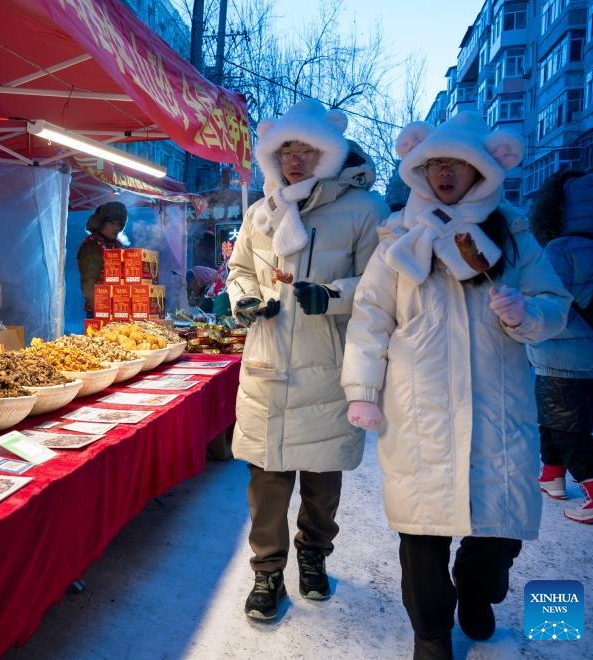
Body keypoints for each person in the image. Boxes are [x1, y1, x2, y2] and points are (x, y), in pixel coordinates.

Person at [340, 112, 571, 658]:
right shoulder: (398, 236)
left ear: (481, 170)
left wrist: (524, 313)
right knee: (421, 533)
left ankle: (477, 590)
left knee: (500, 530)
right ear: (419, 168)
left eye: (458, 164)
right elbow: (371, 317)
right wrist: (362, 391)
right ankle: (431, 631)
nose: (446, 173)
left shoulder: (512, 233)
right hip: (420, 409)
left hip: (498, 406)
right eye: (435, 163)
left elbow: (556, 306)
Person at [225, 99, 389, 621]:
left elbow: (384, 286)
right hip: (267, 363)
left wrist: (333, 294)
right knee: (267, 479)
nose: (295, 160)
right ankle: (267, 572)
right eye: (286, 150)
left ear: (329, 153)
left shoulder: (365, 209)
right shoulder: (260, 212)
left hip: (330, 364)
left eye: (308, 150)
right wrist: (244, 300)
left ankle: (314, 555)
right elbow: (239, 271)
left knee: (322, 478)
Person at [526, 169, 593, 523]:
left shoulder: (563, 248)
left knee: (566, 427)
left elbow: (546, 299)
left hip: (561, 352)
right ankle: (552, 476)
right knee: (556, 419)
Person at [77, 201, 127, 318]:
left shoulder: (117, 245)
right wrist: (101, 312)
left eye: (119, 224)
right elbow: (88, 283)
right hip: (99, 311)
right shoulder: (92, 245)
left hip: (119, 308)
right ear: (101, 223)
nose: (116, 228)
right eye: (112, 223)